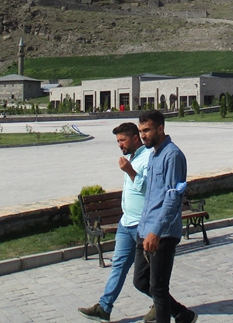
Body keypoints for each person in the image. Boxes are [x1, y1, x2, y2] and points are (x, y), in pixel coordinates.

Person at [78, 122, 153, 322]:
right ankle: (104, 307)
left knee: (149, 273)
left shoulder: (149, 158)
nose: (120, 145)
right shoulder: (132, 157)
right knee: (118, 265)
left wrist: (130, 171)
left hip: (142, 226)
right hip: (126, 223)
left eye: (122, 140)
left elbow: (150, 190)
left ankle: (164, 304)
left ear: (135, 138)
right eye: (118, 141)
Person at [133, 110, 197, 323]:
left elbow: (172, 198)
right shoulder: (153, 155)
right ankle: (182, 314)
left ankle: (178, 316)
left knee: (158, 288)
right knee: (141, 281)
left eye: (147, 130)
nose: (143, 135)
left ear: (160, 128)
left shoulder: (173, 155)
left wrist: (156, 231)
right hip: (145, 229)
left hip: (163, 233)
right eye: (141, 131)